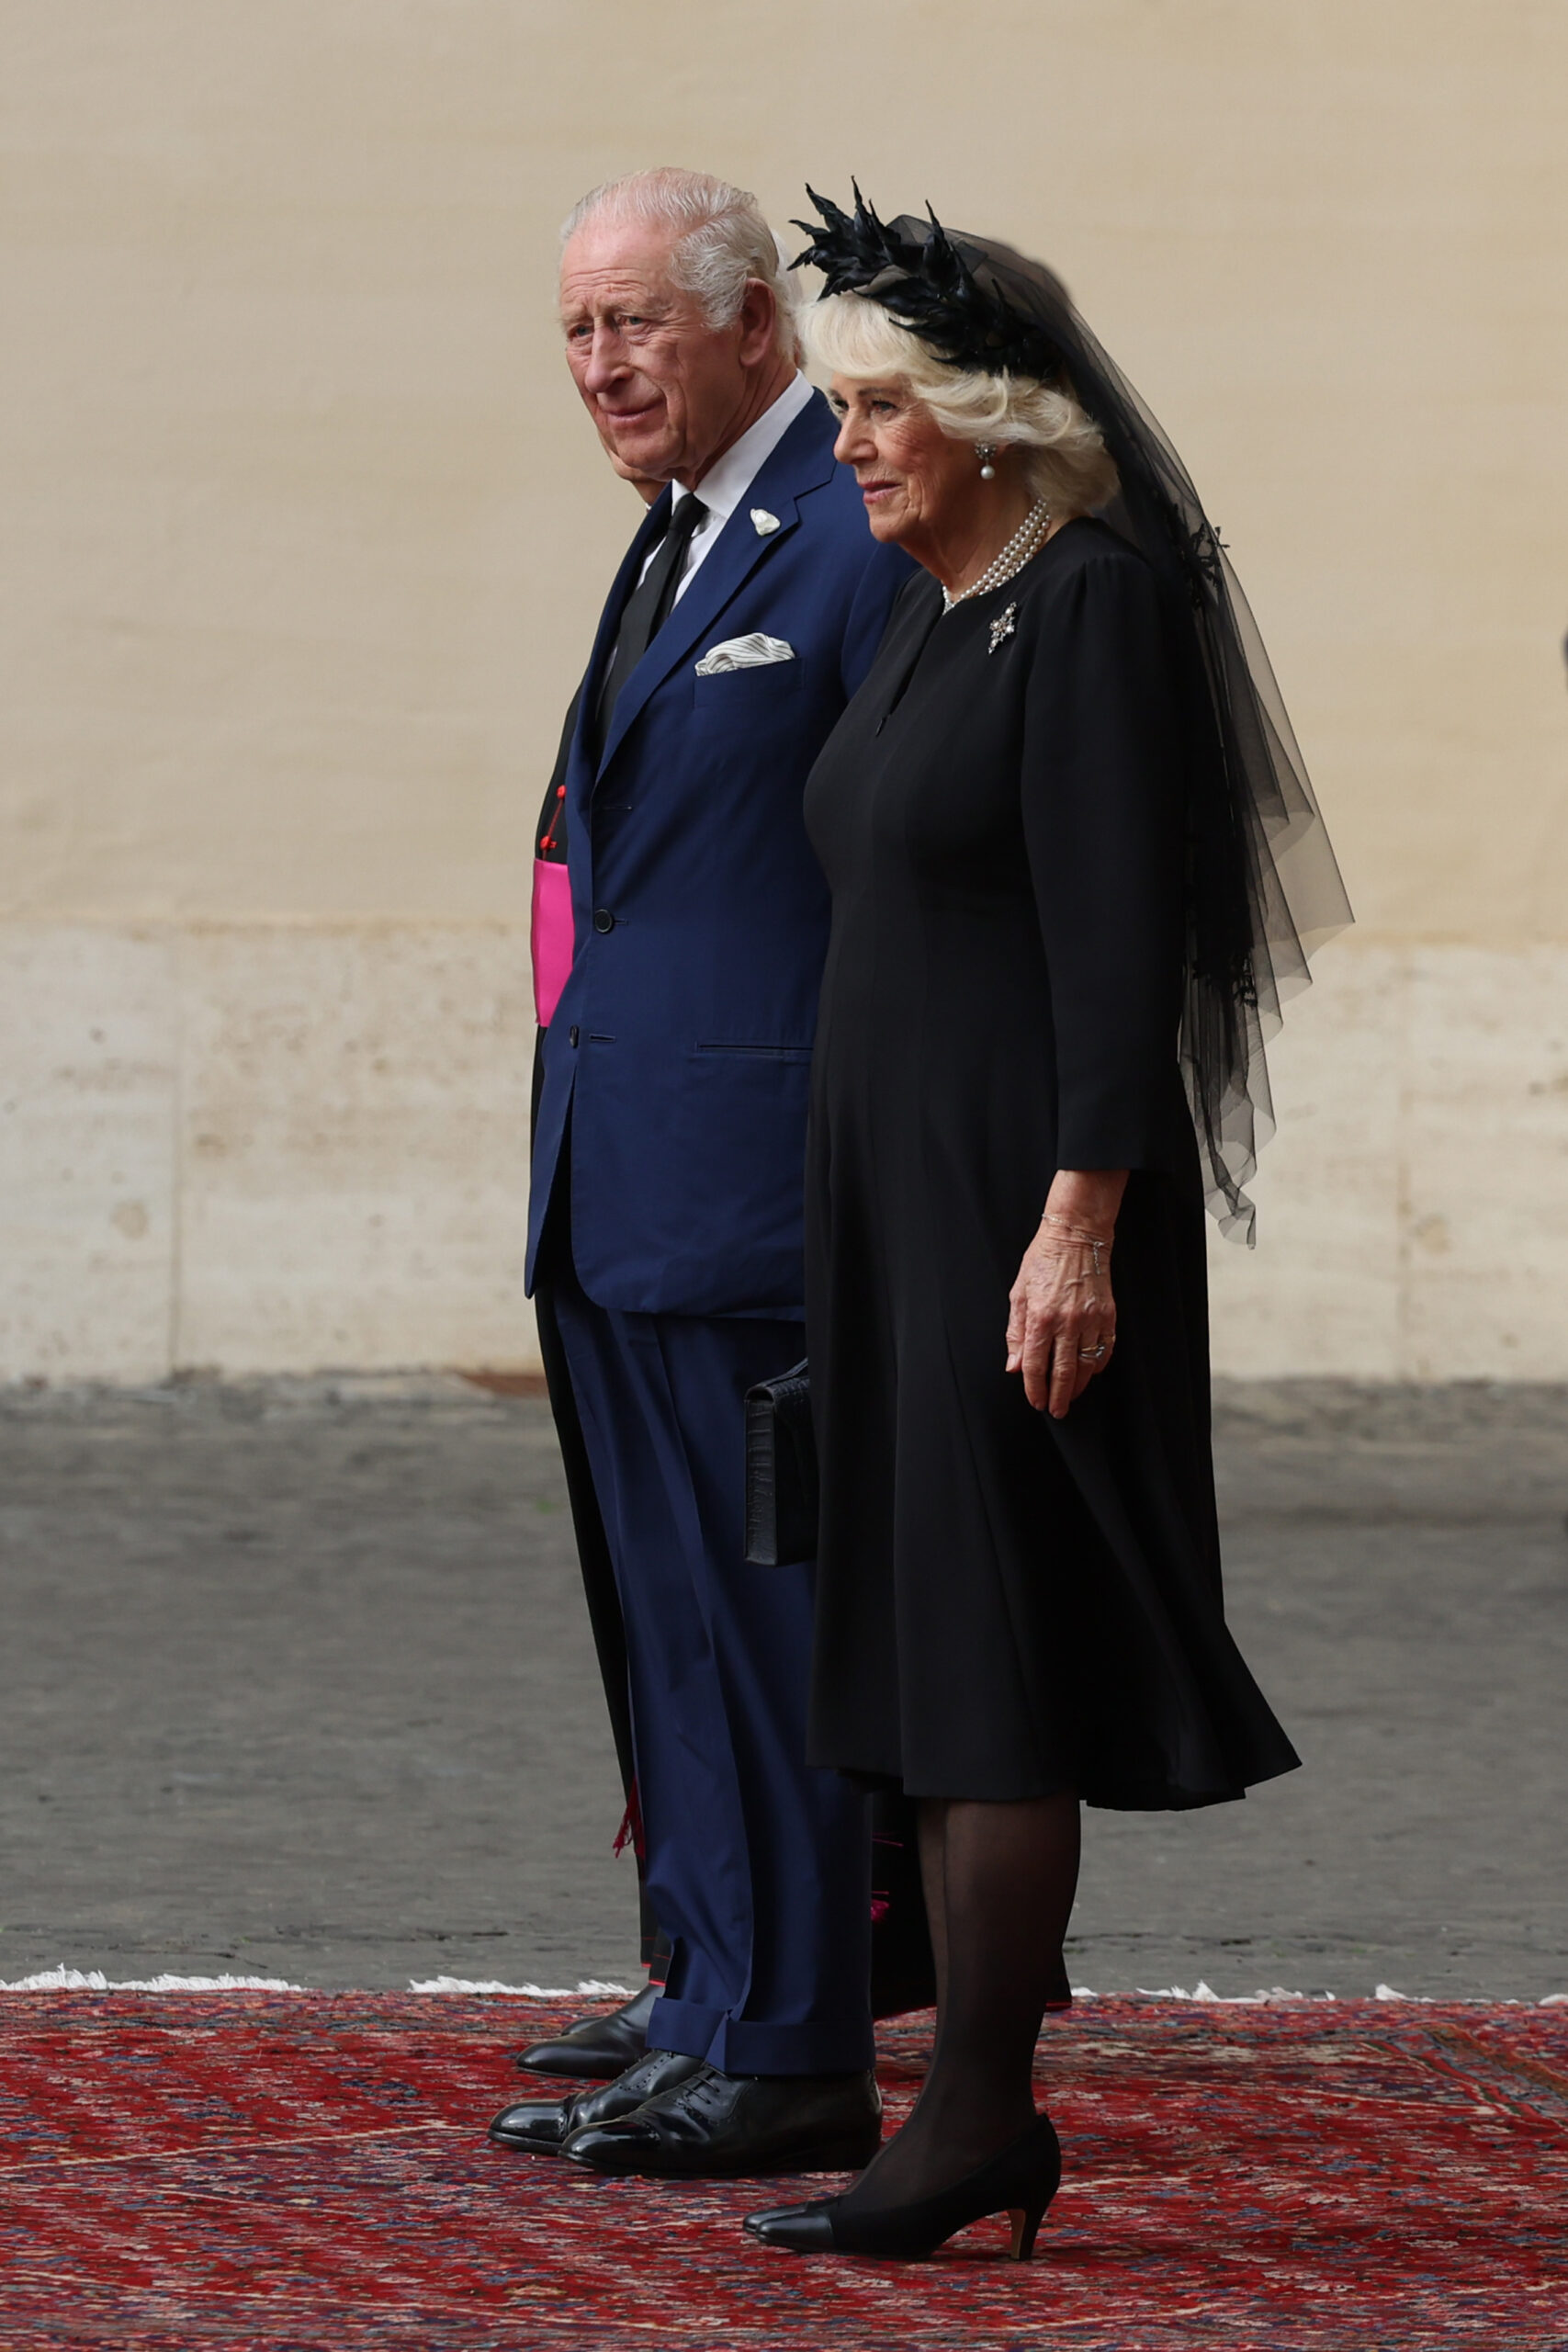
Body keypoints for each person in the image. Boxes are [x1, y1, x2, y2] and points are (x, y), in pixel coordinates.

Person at [744, 191, 1350, 2259]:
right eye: (835, 413)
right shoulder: (940, 601)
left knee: (995, 1645)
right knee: (925, 1627)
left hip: (1018, 1198)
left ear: (995, 420)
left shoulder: (1083, 606)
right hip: (897, 1200)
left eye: (874, 411)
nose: (846, 450)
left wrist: (1074, 1222)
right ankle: (965, 2097)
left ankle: (976, 2113)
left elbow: (1118, 954)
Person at [491, 168, 917, 2179]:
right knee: (660, 1603)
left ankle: (788, 2038)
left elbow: (908, 866)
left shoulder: (845, 529)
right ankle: (705, 1967)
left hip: (758, 1176)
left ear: (754, 321)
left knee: (760, 1611)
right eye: (578, 329)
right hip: (618, 1164)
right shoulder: (675, 539)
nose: (600, 364)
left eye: (636, 321)